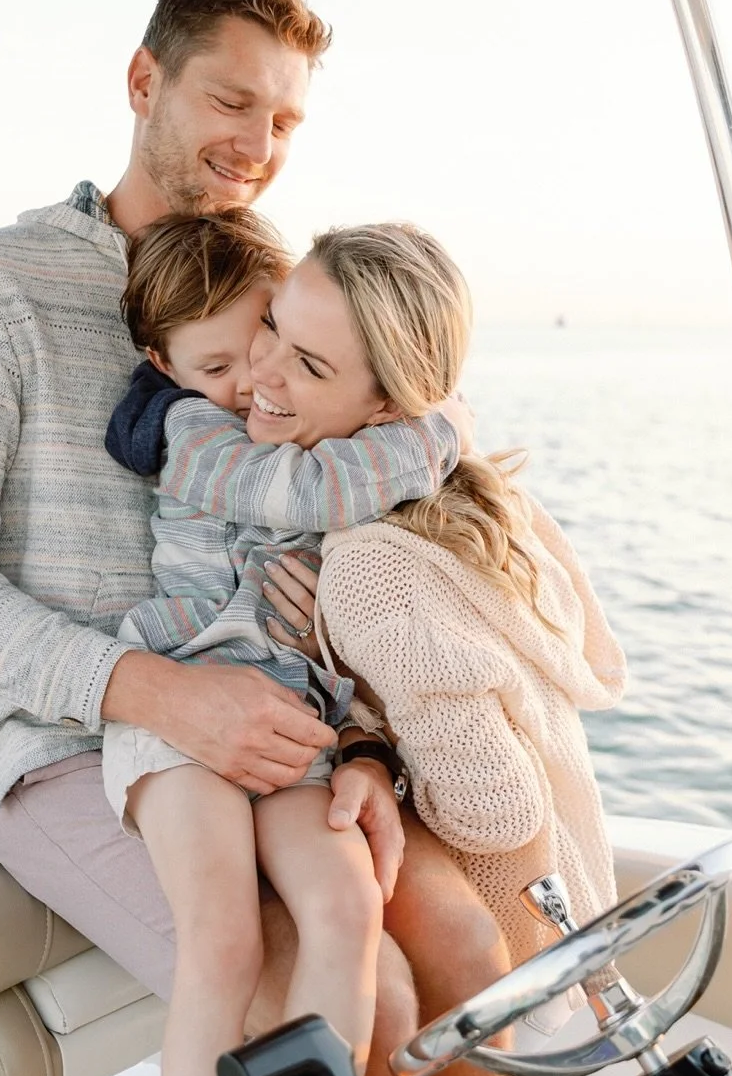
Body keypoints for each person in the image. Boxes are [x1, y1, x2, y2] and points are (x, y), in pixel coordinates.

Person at [0, 0, 510, 1076]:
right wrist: (162, 695)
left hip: (281, 707)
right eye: (231, 102)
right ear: (143, 81)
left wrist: (359, 738)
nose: (256, 144)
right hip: (68, 743)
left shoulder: (276, 276)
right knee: (362, 1014)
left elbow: (339, 491)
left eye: (283, 119)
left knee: (468, 955)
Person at [103, 208, 461, 1076]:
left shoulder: (338, 439)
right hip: (181, 702)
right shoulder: (191, 434)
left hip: (290, 715)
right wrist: (441, 429)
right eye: (218, 362)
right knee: (223, 940)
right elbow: (299, 493)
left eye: (276, 339)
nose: (249, 381)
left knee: (346, 907)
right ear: (168, 368)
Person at [235, 222, 623, 978]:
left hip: (504, 953)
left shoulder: (369, 575)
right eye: (272, 326)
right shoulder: (484, 494)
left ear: (387, 409)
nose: (262, 373)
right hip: (579, 910)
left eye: (310, 366)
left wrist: (358, 730)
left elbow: (492, 809)